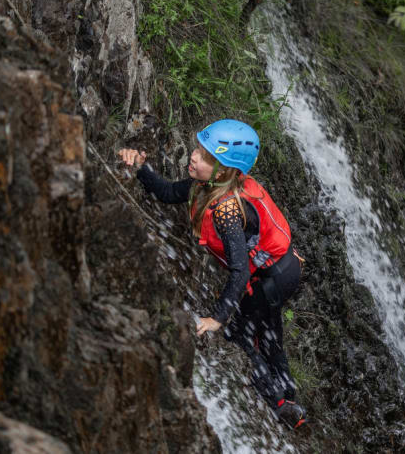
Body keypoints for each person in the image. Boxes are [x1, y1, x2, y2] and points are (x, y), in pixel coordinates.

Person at [118, 119, 307, 429]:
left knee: (240, 336)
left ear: (221, 171)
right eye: (198, 149)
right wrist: (140, 168)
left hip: (271, 278)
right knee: (267, 333)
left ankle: (279, 405)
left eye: (204, 156)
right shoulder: (208, 187)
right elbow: (167, 191)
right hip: (282, 268)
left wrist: (217, 319)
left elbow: (240, 271)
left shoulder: (227, 210)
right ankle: (289, 399)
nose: (194, 156)